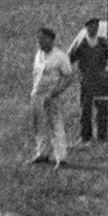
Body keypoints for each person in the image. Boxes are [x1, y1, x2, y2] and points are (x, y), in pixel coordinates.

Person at [29, 27, 75, 168]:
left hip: (51, 96)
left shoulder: (60, 56)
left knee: (55, 125)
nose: (39, 42)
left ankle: (61, 158)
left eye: (42, 38)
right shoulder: (39, 54)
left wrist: (54, 93)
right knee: (39, 125)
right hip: (37, 94)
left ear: (51, 39)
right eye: (38, 39)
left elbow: (68, 77)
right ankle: (42, 153)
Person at [67, 18, 108, 142]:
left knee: (102, 107)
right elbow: (70, 58)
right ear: (86, 28)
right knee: (85, 108)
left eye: (96, 26)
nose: (94, 29)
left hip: (101, 80)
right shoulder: (81, 43)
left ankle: (102, 135)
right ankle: (85, 135)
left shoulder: (103, 42)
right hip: (86, 80)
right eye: (91, 26)